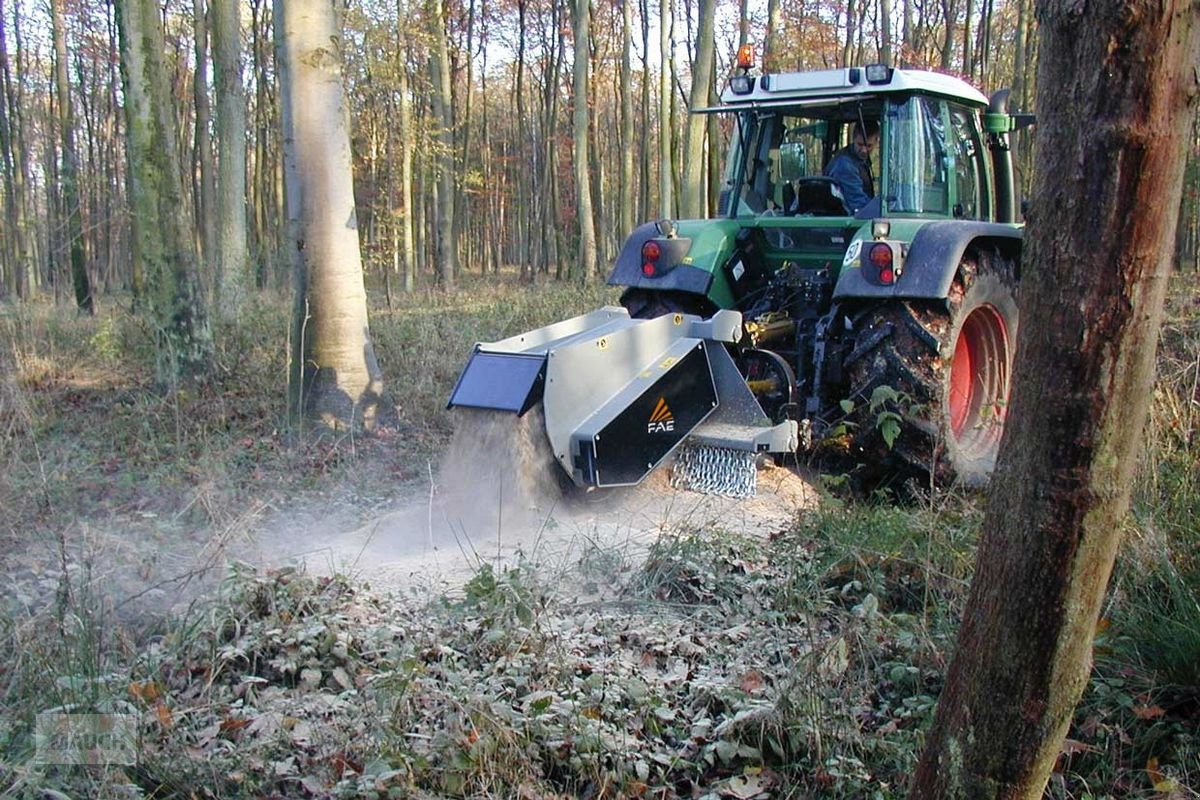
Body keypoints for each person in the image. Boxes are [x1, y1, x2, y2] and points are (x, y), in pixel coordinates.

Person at [824, 120, 879, 213]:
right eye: (860, 144)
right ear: (853, 139)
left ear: (877, 141)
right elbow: (859, 205)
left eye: (869, 146)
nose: (864, 150)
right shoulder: (845, 166)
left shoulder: (861, 162)